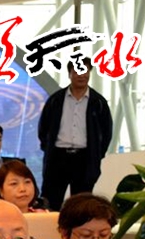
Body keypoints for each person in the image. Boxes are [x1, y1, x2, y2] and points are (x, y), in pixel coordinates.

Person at [38, 58, 113, 210]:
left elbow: (107, 132)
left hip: (85, 159)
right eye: (77, 71)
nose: (81, 75)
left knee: (81, 206)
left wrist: (96, 154)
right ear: (70, 73)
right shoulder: (56, 100)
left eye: (85, 71)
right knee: (50, 202)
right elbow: (43, 128)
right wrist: (49, 149)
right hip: (58, 158)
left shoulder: (98, 102)